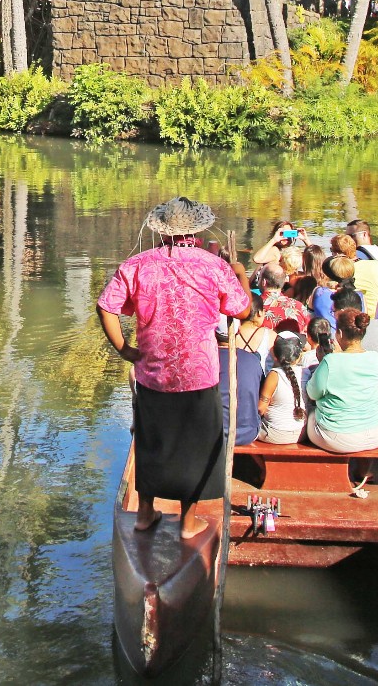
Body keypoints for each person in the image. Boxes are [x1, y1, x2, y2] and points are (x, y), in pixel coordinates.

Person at [96, 197, 251, 537]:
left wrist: (125, 349)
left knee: (152, 442)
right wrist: (239, 274)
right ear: (197, 230)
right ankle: (188, 521)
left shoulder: (137, 265)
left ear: (162, 232)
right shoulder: (214, 266)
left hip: (155, 372)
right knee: (196, 446)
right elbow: (242, 311)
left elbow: (106, 306)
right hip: (199, 372)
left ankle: (145, 513)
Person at [306, 308, 378, 459]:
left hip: (339, 438)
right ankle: (363, 471)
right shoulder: (375, 358)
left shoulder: (330, 362)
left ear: (341, 334)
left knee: (310, 414)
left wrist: (321, 364)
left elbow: (312, 393)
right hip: (377, 432)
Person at [215, 328, 266, 449]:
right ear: (237, 332)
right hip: (246, 432)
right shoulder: (253, 359)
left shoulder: (206, 359)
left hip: (222, 434)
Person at [256, 333, 309, 446]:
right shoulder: (306, 372)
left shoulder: (274, 375)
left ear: (274, 355)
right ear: (299, 356)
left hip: (275, 434)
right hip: (301, 433)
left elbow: (261, 408)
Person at [256, 266, 311, 334]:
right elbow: (308, 331)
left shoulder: (254, 306)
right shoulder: (299, 307)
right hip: (295, 343)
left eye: (259, 278)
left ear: (264, 282)